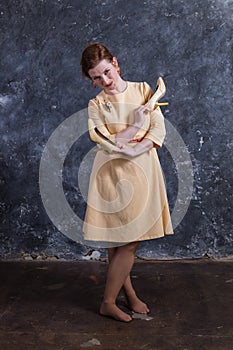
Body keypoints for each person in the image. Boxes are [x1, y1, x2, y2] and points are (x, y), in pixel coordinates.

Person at [80, 43, 173, 322]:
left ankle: (126, 296)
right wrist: (133, 127)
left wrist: (136, 148)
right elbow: (106, 141)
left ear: (116, 63)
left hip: (143, 170)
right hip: (111, 175)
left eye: (107, 72)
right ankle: (109, 301)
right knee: (119, 241)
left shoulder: (144, 90)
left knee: (128, 242)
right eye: (96, 78)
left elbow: (158, 128)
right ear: (91, 80)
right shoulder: (96, 105)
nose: (104, 81)